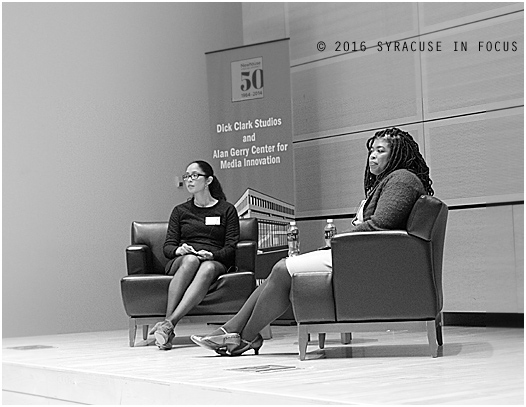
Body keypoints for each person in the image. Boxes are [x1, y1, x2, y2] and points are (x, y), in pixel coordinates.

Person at [191, 127, 434, 356]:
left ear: (399, 155)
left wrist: (339, 241)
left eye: (381, 151)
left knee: (281, 267)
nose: (372, 156)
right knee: (281, 269)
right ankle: (232, 332)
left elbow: (381, 225)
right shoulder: (393, 180)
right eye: (372, 150)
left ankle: (243, 336)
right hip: (357, 254)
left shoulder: (402, 179)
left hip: (364, 259)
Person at [150, 160, 240, 350]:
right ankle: (168, 324)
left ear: (208, 180)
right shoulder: (180, 211)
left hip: (214, 260)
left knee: (206, 267)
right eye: (187, 176)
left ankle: (168, 325)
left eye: (194, 175)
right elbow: (168, 247)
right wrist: (179, 250)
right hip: (184, 260)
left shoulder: (227, 210)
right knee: (191, 260)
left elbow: (231, 247)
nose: (189, 180)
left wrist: (212, 255)